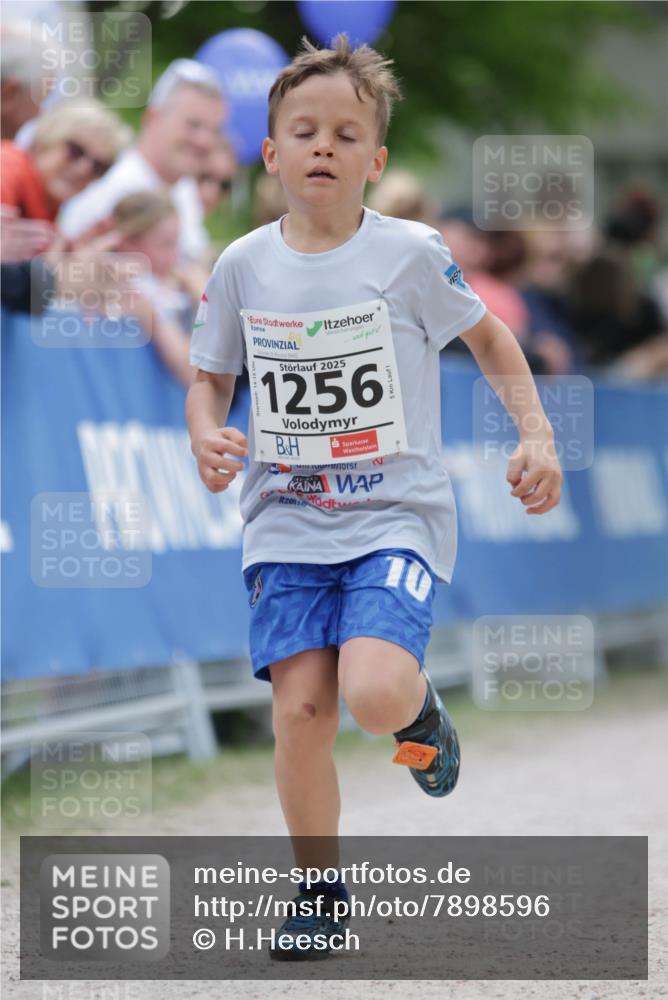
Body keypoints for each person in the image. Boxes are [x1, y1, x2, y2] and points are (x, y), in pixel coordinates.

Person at [186, 34, 562, 960]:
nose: (324, 146)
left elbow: (491, 343)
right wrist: (206, 430)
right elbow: (209, 376)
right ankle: (318, 891)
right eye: (303, 131)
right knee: (301, 712)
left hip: (394, 512)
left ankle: (421, 716)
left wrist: (537, 433)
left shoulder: (408, 254)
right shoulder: (240, 264)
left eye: (347, 134)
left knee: (376, 691)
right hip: (284, 520)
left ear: (375, 159)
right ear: (269, 152)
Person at [59, 59, 225, 260]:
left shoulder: (184, 189)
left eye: (214, 130)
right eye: (193, 125)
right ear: (153, 118)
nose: (205, 141)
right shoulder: (111, 192)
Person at [1, 98, 130, 227]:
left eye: (99, 166)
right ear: (47, 138)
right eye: (76, 151)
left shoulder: (45, 210)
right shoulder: (8, 167)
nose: (84, 170)